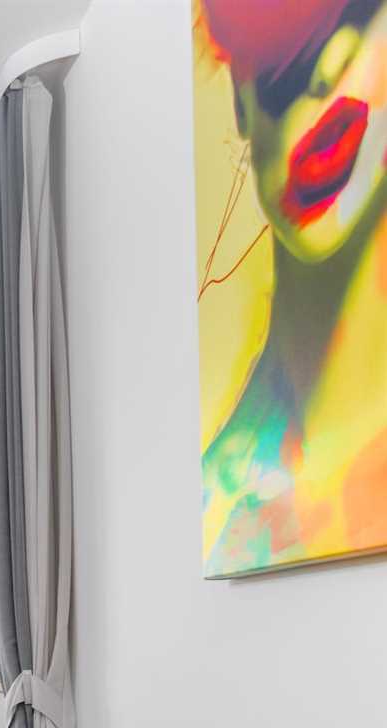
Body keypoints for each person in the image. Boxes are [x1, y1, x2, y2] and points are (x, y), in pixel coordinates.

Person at [201, 0, 387, 574]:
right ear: (238, 97)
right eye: (283, 58)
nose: (329, 66)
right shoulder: (221, 496)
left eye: (362, 12)